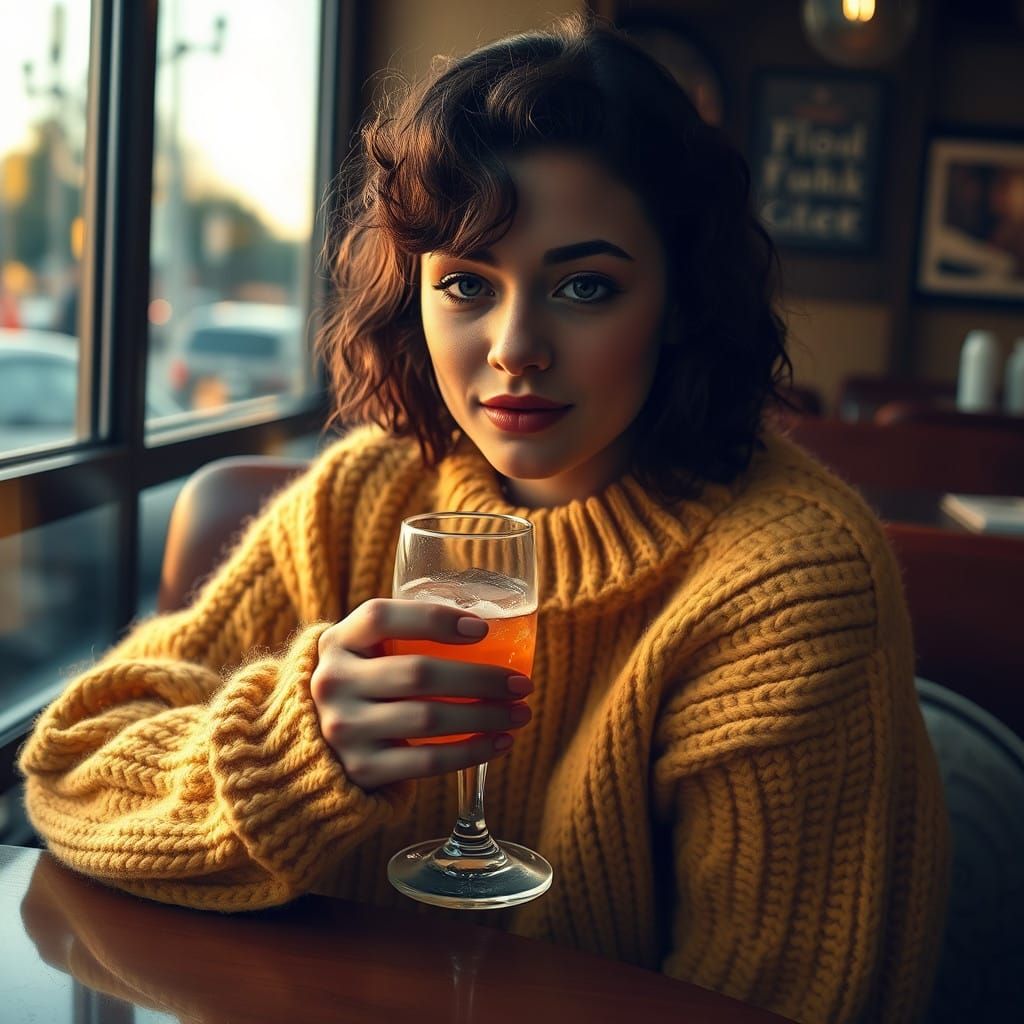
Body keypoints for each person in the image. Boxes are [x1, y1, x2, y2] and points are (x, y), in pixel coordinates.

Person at [19, 15, 948, 1023]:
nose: (514, 347)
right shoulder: (363, 497)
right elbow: (70, 769)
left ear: (682, 300)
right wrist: (300, 754)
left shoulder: (786, 583)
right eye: (466, 283)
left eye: (583, 286)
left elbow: (780, 997)